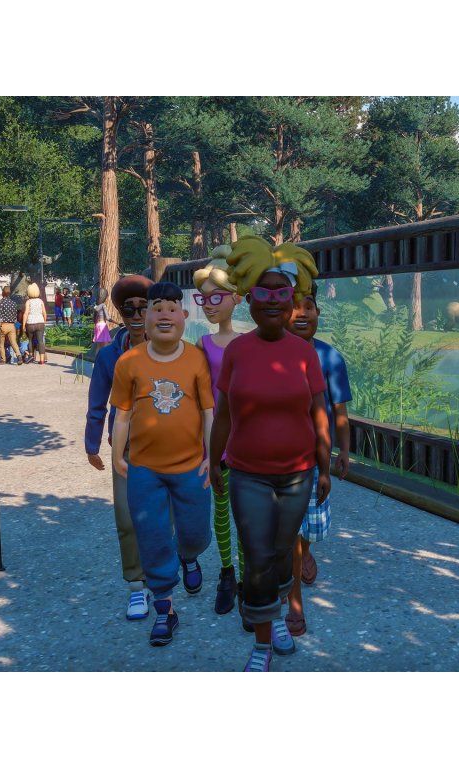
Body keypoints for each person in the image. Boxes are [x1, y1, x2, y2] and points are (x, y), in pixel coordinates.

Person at [210, 235, 329, 671]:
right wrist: (214, 460)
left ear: (293, 299)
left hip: (297, 474)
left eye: (283, 293)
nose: (274, 301)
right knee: (257, 555)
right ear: (248, 298)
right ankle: (262, 643)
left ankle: (275, 614)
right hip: (247, 474)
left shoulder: (304, 354)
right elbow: (224, 412)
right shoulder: (237, 352)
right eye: (264, 292)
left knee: (282, 553)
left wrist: (324, 467)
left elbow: (319, 412)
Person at [111, 280, 215, 647]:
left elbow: (208, 412)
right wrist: (117, 455)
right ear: (146, 317)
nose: (164, 315)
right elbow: (122, 414)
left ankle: (189, 556)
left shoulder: (196, 359)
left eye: (172, 308)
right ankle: (164, 608)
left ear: (184, 315)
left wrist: (211, 456)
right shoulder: (129, 362)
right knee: (153, 536)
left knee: (195, 533)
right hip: (145, 469)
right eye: (157, 309)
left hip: (190, 467)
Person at [283, 282, 352, 636]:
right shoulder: (272, 357)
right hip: (280, 461)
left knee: (308, 527)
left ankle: (304, 551)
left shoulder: (330, 358)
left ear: (318, 313)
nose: (301, 313)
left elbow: (339, 411)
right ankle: (294, 600)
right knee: (288, 530)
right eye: (294, 306)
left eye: (308, 306)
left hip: (315, 459)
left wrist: (343, 450)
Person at [85, 275, 154, 620]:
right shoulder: (109, 355)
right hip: (125, 448)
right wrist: (92, 443)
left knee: (164, 517)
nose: (137, 315)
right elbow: (97, 402)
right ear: (120, 313)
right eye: (129, 309)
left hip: (168, 446)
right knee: (127, 518)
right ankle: (136, 584)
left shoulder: (171, 349)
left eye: (144, 307)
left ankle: (161, 576)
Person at [193, 247, 244, 615]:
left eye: (216, 297)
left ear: (235, 299)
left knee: (247, 512)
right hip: (217, 438)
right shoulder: (203, 344)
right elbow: (200, 396)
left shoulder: (248, 343)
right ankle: (227, 573)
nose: (209, 305)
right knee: (221, 509)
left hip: (247, 438)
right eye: (204, 298)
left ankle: (248, 576)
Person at [0, 286, 23, 366]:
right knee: (14, 342)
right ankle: (19, 356)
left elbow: (0, 316)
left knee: (1, 344)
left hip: (3, 325)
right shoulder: (13, 303)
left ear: (3, 293)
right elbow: (15, 317)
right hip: (12, 326)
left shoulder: (0, 303)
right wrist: (17, 328)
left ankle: (3, 359)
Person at [23, 283, 48, 365]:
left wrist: (23, 325)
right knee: (40, 341)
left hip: (30, 322)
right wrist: (44, 321)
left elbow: (26, 313)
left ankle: (31, 356)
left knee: (30, 340)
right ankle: (41, 360)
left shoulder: (28, 302)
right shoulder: (40, 301)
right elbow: (44, 313)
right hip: (40, 322)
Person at [91, 288, 113, 355]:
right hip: (103, 326)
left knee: (98, 346)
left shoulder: (95, 307)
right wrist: (117, 323)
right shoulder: (103, 305)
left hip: (97, 326)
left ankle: (96, 359)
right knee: (105, 345)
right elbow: (108, 318)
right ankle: (104, 359)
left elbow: (94, 318)